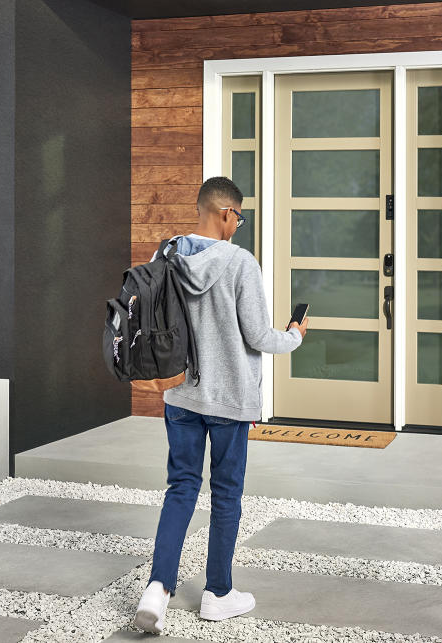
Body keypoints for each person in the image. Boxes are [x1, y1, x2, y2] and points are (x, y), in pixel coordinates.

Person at [134, 176, 307, 634]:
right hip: (230, 399)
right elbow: (257, 336)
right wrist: (295, 335)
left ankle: (157, 588)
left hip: (181, 393)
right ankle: (218, 594)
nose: (238, 225)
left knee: (181, 488)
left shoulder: (165, 255)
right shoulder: (239, 262)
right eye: (239, 217)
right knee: (226, 493)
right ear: (227, 213)